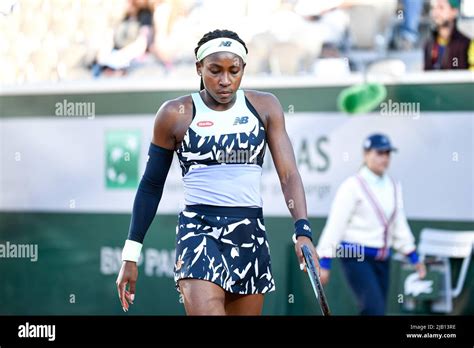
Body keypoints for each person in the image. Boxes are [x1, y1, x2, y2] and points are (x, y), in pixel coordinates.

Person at [115, 29, 319, 315]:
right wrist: (131, 254)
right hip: (198, 232)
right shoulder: (175, 113)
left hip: (250, 233)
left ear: (243, 69)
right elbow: (150, 186)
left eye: (234, 71)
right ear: (199, 67)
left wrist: (303, 230)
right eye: (215, 70)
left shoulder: (266, 107)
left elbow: (289, 175)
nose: (225, 80)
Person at [316, 134, 426, 315]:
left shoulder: (393, 185)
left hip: (382, 259)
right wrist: (325, 262)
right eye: (379, 153)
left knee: (378, 310)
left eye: (388, 153)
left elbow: (398, 223)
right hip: (356, 256)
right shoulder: (352, 186)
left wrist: (413, 256)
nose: (384, 158)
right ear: (366, 154)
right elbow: (336, 225)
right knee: (373, 310)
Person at [424, 0, 471, 70]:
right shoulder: (428, 44)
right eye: (433, 8)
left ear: (454, 11)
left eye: (441, 7)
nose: (436, 12)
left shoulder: (466, 44)